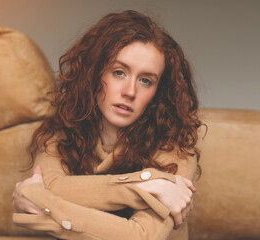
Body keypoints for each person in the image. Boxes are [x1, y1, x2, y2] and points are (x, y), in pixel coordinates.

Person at [12, 10, 202, 240]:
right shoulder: (60, 133)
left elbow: (140, 237)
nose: (130, 91)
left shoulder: (176, 145)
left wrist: (37, 199)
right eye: (119, 72)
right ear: (94, 73)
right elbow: (53, 185)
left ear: (158, 91)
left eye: (145, 81)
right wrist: (142, 187)